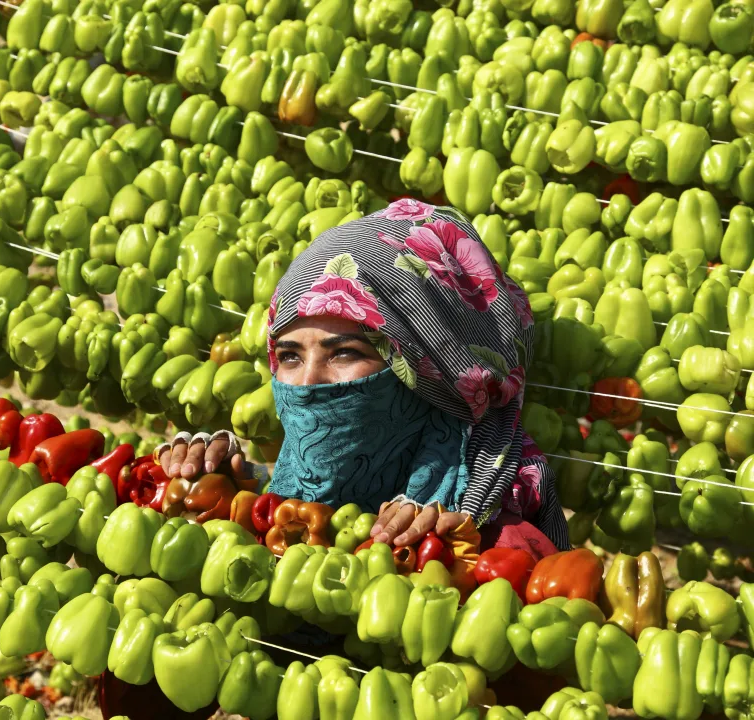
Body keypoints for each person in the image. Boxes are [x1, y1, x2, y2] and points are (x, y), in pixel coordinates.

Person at [160, 199, 569, 553]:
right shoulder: (284, 501)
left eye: (344, 352)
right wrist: (216, 486)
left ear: (433, 370)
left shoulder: (498, 540)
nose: (306, 385)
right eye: (289, 356)